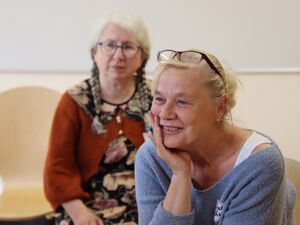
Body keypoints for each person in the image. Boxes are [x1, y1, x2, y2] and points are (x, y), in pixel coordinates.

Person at [135, 49, 296, 225]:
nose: (165, 113)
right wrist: (180, 176)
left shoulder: (260, 164)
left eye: (182, 102)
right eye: (159, 99)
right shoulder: (152, 156)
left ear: (220, 107)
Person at [44, 10, 152, 225]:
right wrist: (79, 213)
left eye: (128, 47)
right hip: (87, 205)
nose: (118, 55)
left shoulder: (158, 97)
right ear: (94, 51)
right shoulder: (74, 101)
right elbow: (58, 167)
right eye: (110, 45)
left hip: (148, 202)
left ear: (142, 56)